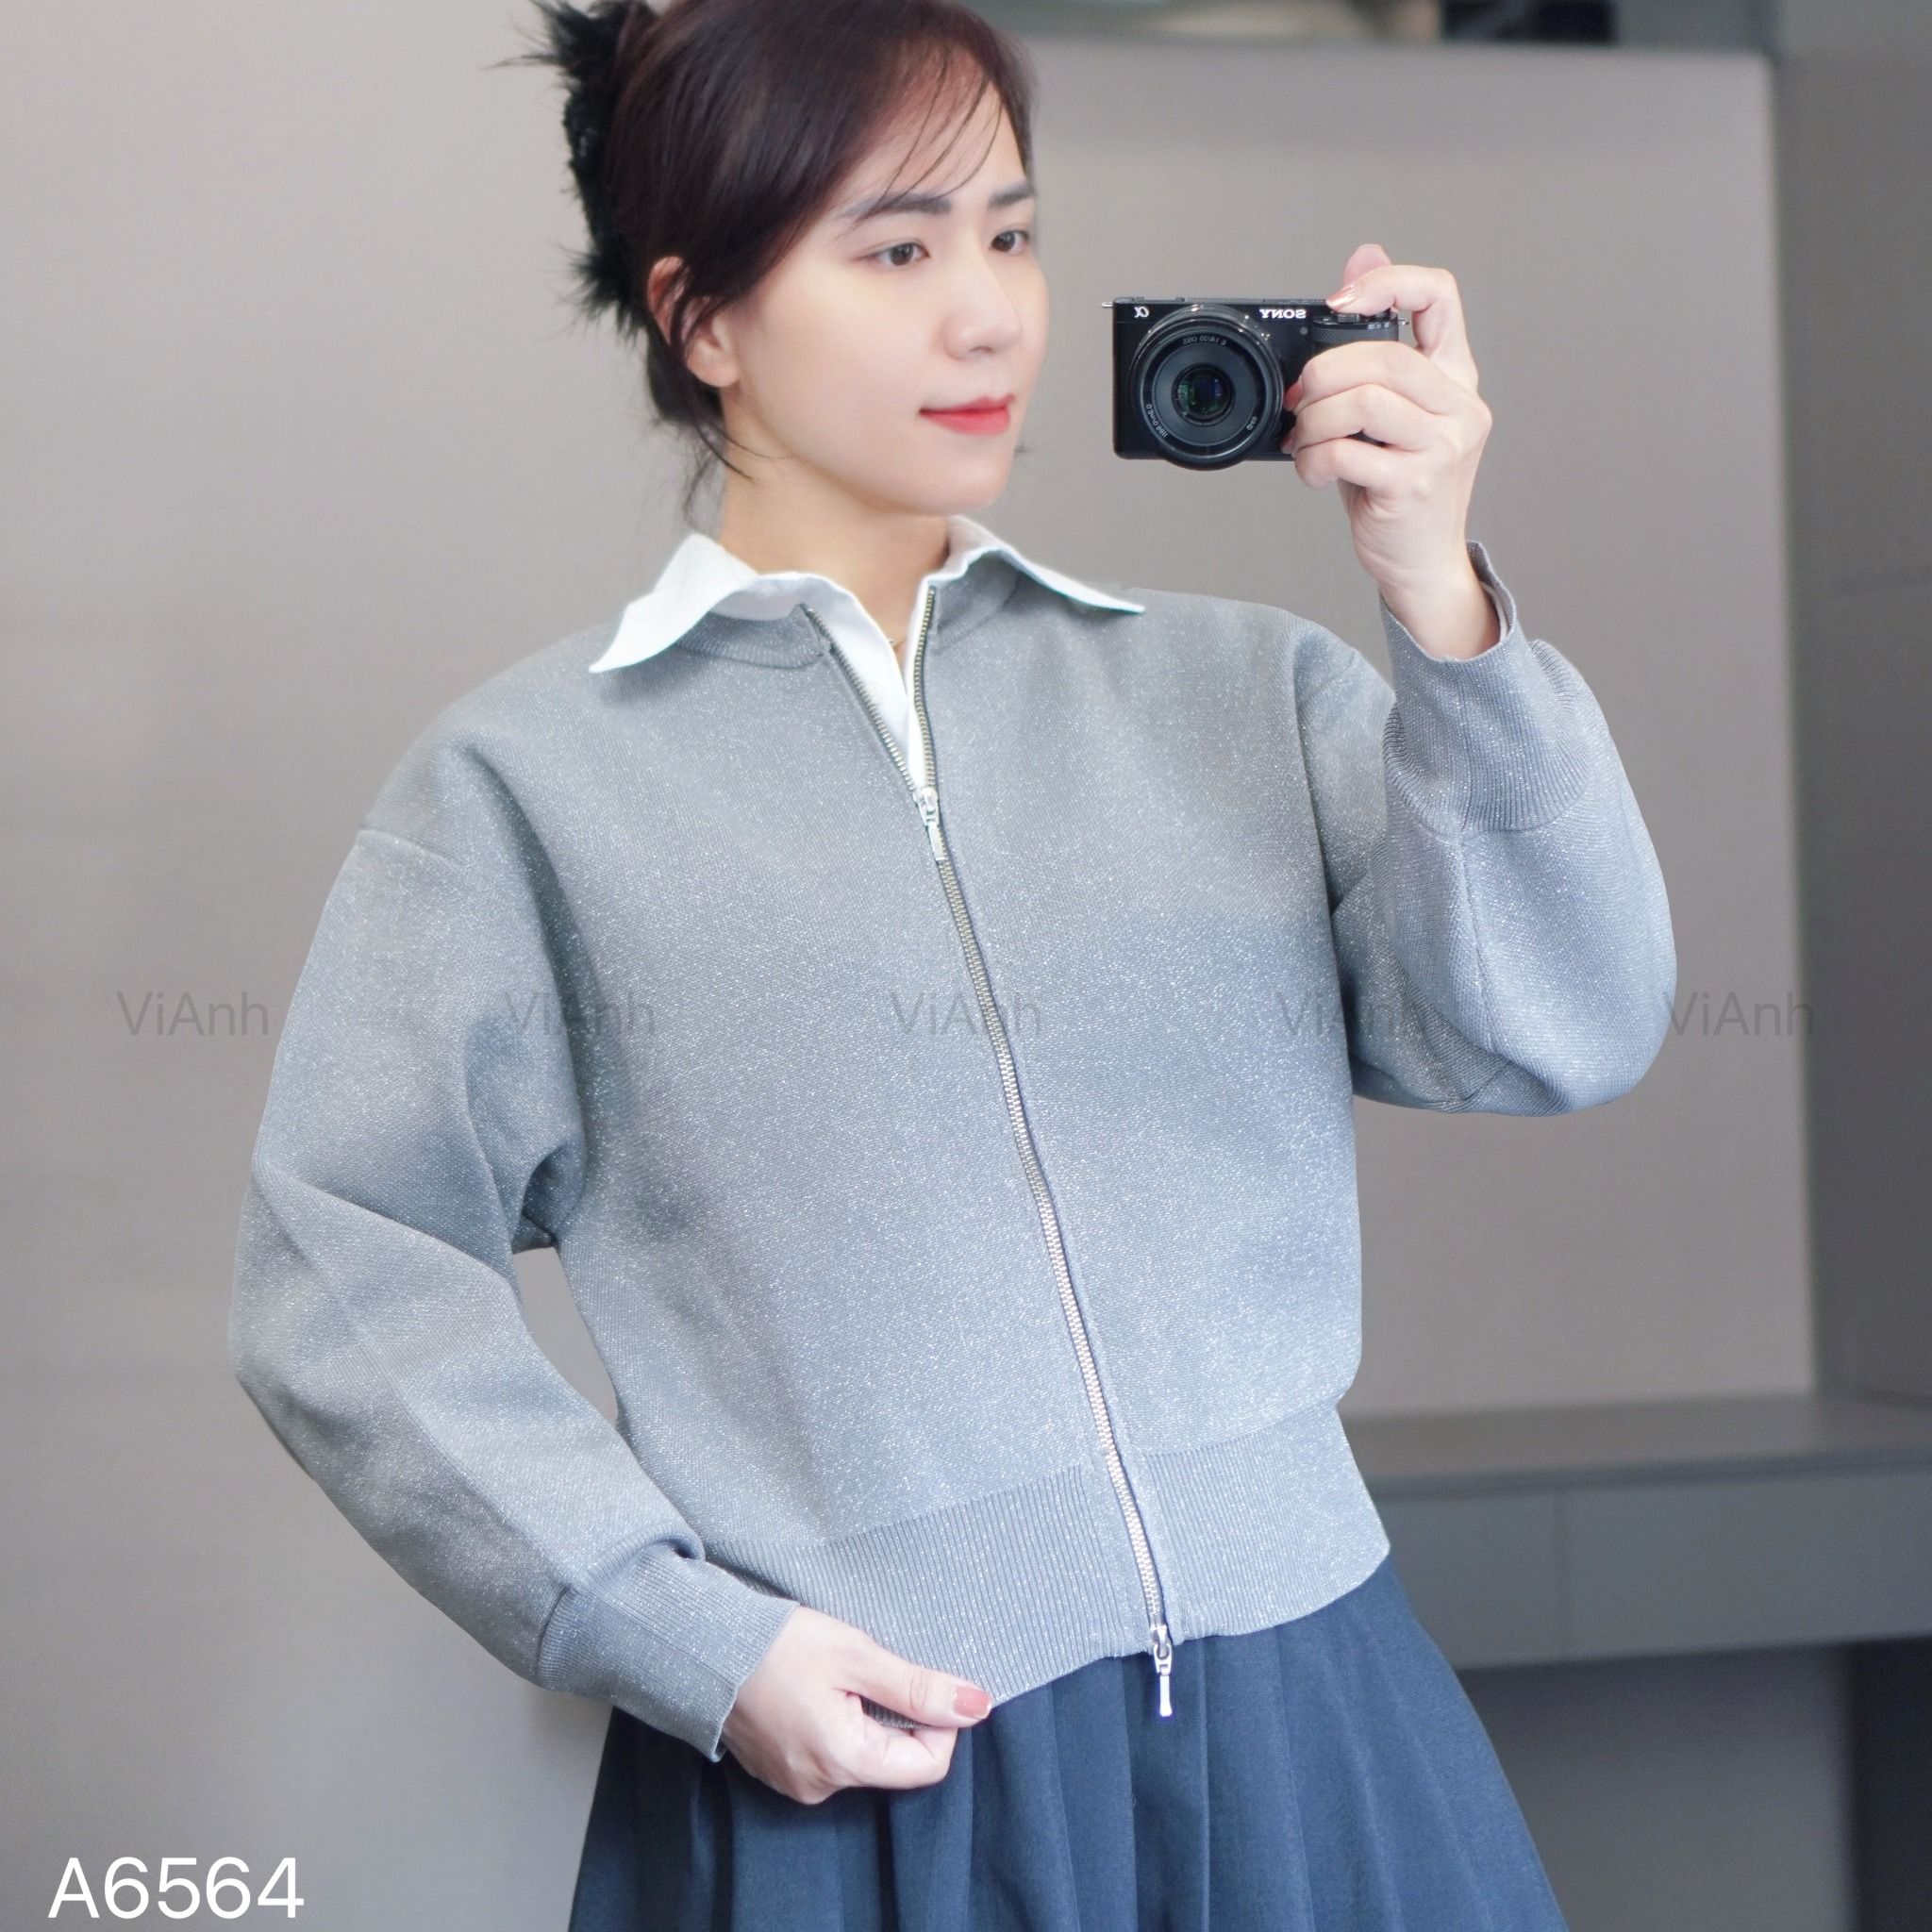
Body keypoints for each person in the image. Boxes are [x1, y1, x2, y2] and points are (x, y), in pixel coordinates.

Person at [227, 0, 1675, 1924]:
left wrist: (1445, 607)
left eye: (1010, 233)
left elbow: (1567, 1025)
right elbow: (339, 1267)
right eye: (898, 250)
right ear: (703, 317)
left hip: (1316, 1725)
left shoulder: (1238, 692)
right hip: (875, 1778)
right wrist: (679, 1630)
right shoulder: (526, 791)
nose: (988, 314)